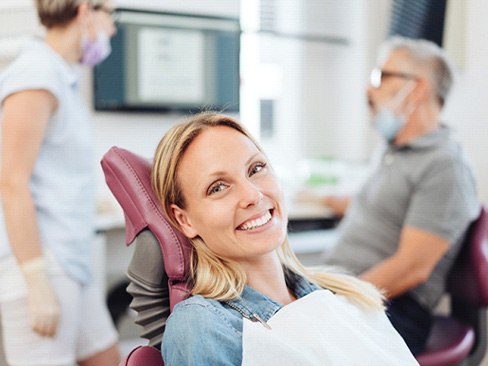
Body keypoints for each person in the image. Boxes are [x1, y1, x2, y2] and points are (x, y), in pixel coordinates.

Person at [151, 112, 419, 365]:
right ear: (184, 220)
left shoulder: (347, 295)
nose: (252, 195)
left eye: (256, 169)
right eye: (218, 188)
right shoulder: (203, 324)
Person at [321, 37, 480, 355]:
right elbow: (378, 207)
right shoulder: (394, 150)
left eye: (380, 77)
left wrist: (334, 302)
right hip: (349, 288)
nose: (370, 89)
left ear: (417, 89)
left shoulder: (445, 166)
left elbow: (411, 268)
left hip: (392, 306)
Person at [0, 1, 120, 365]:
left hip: (70, 259)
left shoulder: (59, 74)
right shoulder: (36, 74)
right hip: (41, 263)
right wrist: (35, 283)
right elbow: (10, 181)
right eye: (110, 16)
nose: (112, 29)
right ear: (85, 10)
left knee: (106, 357)